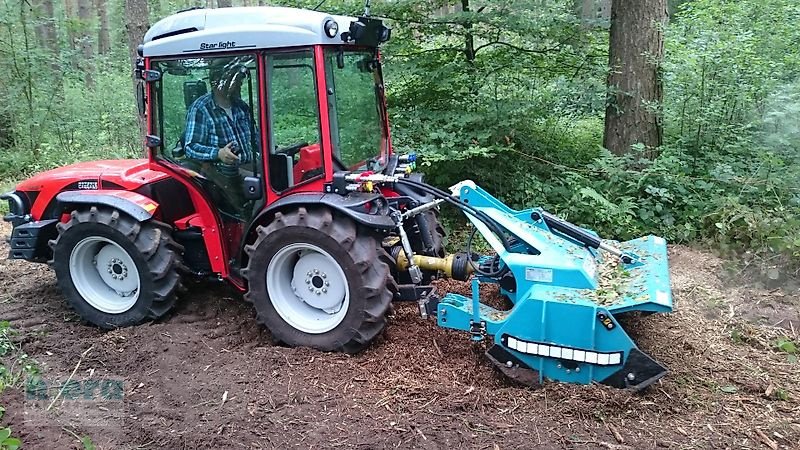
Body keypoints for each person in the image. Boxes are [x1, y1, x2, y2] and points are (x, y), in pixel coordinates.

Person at [183, 58, 257, 216]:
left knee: (281, 174)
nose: (240, 84)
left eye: (240, 80)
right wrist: (218, 153)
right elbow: (190, 147)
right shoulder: (201, 109)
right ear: (218, 81)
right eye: (236, 80)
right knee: (266, 187)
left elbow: (256, 138)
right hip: (224, 176)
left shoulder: (241, 107)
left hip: (250, 165)